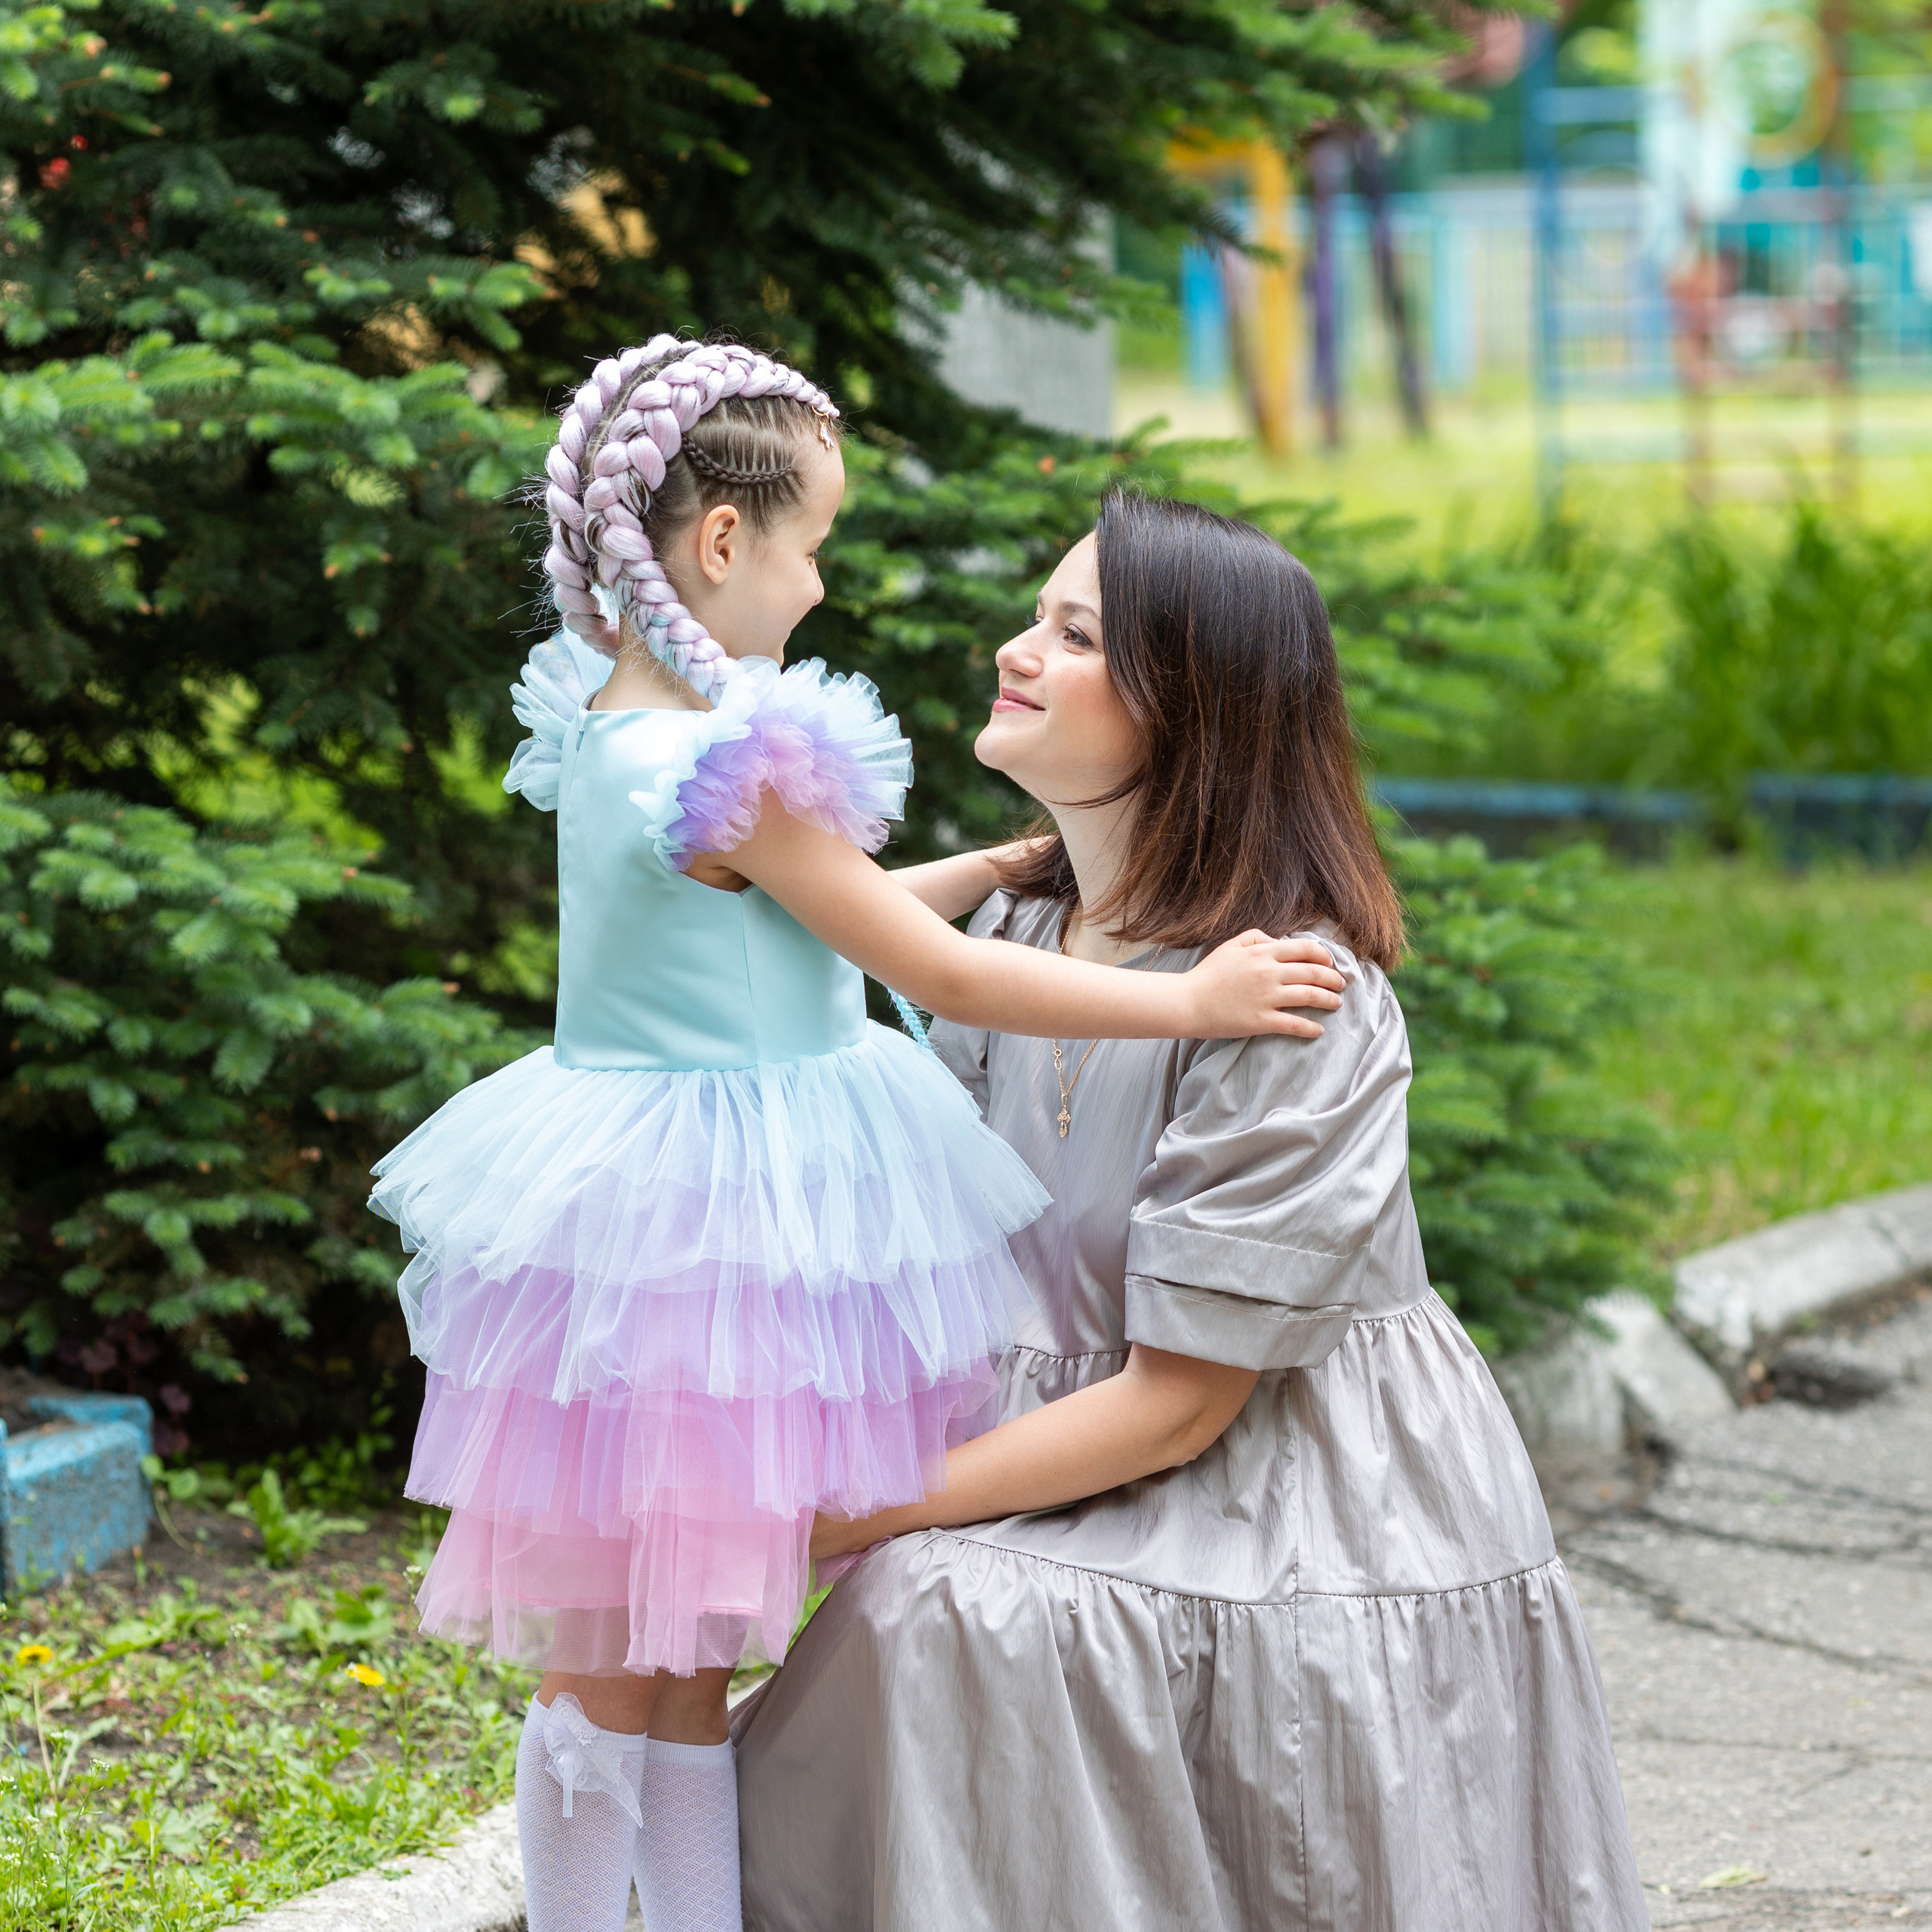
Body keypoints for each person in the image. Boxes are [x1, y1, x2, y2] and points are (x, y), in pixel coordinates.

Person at [367, 343, 1346, 1932]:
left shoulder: (616, 727)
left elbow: (831, 914)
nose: (820, 587)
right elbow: (933, 973)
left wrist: (993, 855)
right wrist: (1197, 999)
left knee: (638, 1656)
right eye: (812, 545)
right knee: (651, 1668)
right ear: (723, 543)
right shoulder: (732, 769)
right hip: (725, 1222)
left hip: (632, 1199)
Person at [733, 492, 1651, 1932]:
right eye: (1037, 616)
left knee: (943, 1614)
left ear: (1194, 709)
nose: (1013, 651)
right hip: (1076, 1436)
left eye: (1075, 634)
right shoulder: (1019, 937)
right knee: (878, 1610)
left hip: (1279, 1492)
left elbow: (1179, 1407)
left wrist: (837, 1516)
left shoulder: (1292, 998)